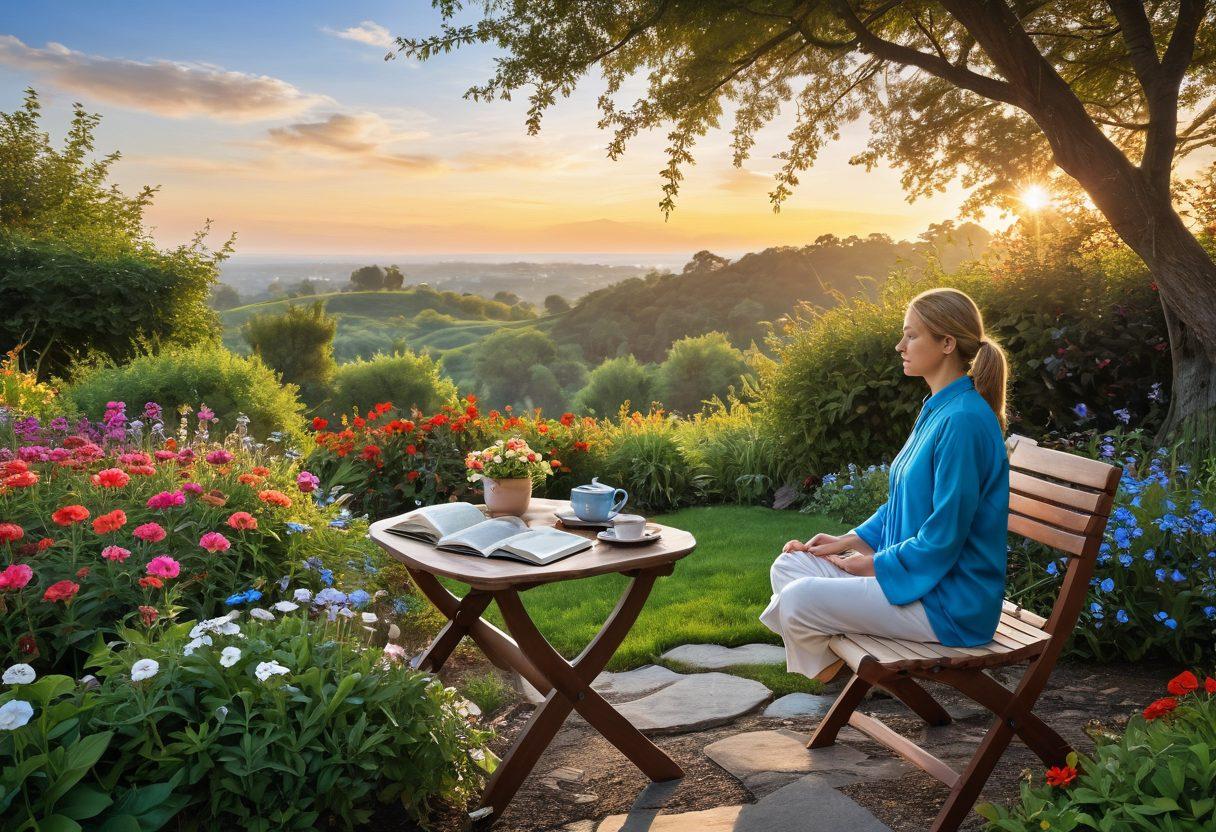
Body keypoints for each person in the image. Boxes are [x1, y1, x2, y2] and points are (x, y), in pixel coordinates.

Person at [759, 287, 1011, 683]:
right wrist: (849, 540)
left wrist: (873, 565)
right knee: (790, 565)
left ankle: (842, 671)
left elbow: (945, 534)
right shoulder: (938, 408)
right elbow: (902, 503)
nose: (900, 345)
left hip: (949, 603)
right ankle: (840, 666)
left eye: (911, 335)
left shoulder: (962, 421)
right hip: (916, 582)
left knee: (797, 599)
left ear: (947, 343)